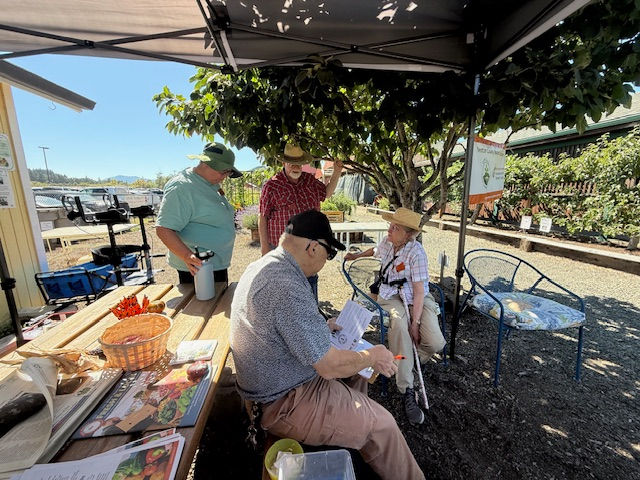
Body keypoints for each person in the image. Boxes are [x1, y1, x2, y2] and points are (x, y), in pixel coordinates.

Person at [231, 210, 425, 480]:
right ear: (312, 247)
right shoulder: (286, 285)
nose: (327, 261)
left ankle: (355, 433)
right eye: (329, 254)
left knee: (358, 374)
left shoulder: (266, 266)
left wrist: (321, 325)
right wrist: (375, 355)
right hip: (283, 401)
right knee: (384, 425)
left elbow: (280, 326)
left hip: (274, 386)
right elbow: (329, 367)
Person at [344, 207, 446, 426]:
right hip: (390, 296)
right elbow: (374, 250)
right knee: (399, 326)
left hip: (416, 298)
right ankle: (406, 388)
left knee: (435, 343)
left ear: (409, 234)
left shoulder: (416, 252)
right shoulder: (388, 242)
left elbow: (419, 292)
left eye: (395, 227)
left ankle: (401, 361)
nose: (389, 230)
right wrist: (356, 255)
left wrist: (416, 324)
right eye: (390, 225)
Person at [258, 143, 343, 298]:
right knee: (282, 292)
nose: (296, 167)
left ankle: (310, 317)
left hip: (308, 250)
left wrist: (337, 171)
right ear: (283, 163)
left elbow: (327, 193)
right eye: (292, 163)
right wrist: (264, 248)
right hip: (281, 250)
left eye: (299, 163)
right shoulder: (271, 186)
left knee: (309, 290)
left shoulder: (310, 182)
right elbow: (263, 216)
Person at [156, 142, 241, 285]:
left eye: (228, 172)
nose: (225, 176)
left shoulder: (209, 183)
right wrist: (187, 256)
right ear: (206, 164)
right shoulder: (182, 187)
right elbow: (163, 229)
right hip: (198, 267)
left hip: (216, 263)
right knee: (202, 307)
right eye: (223, 171)